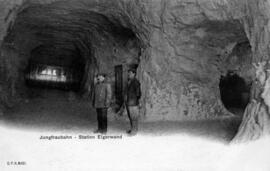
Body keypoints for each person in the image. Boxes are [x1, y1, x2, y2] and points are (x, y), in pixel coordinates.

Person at [125, 68, 142, 136]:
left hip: (133, 103)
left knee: (134, 117)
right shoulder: (130, 81)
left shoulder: (136, 82)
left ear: (134, 74)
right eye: (128, 73)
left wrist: (136, 100)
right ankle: (133, 129)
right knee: (131, 117)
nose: (129, 74)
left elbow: (138, 94)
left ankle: (134, 132)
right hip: (129, 102)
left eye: (130, 73)